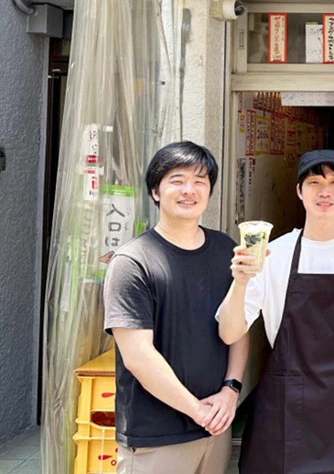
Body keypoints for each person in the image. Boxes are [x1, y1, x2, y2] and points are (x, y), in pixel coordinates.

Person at [217, 149, 334, 473]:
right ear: (299, 191)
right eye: (314, 182)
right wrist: (240, 282)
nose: (325, 191)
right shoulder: (274, 254)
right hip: (286, 410)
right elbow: (229, 332)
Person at [103, 141, 249, 474]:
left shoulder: (226, 248)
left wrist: (231, 390)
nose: (189, 190)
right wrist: (198, 412)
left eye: (200, 181)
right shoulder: (133, 262)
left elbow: (239, 329)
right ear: (155, 190)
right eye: (177, 180)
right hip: (157, 436)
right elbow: (139, 358)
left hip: (215, 427)